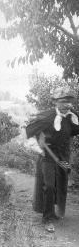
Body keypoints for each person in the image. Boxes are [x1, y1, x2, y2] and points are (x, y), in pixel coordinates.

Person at [26, 86, 79, 233]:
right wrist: (38, 149)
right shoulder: (47, 117)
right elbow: (29, 132)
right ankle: (47, 218)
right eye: (62, 101)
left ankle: (56, 212)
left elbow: (73, 131)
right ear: (55, 102)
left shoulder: (72, 116)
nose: (66, 104)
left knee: (61, 183)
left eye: (69, 101)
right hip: (48, 155)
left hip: (63, 155)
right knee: (49, 185)